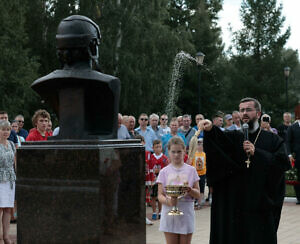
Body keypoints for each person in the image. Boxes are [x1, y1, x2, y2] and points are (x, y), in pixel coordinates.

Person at [200, 97, 290, 244]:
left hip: (259, 205)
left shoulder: (272, 140)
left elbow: (282, 164)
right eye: (242, 110)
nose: (244, 113)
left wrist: (258, 153)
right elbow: (218, 141)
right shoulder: (234, 137)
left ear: (259, 114)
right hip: (235, 205)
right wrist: (210, 128)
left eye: (248, 109)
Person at [157, 136, 200, 244]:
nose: (176, 155)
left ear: (184, 151)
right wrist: (169, 201)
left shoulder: (191, 170)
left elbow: (198, 194)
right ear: (168, 151)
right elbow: (160, 195)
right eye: (173, 152)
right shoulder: (164, 172)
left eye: (179, 152)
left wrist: (190, 190)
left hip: (186, 212)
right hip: (169, 212)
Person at [0, 120, 16, 244]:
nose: (6, 132)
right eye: (3, 129)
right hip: (0, 179)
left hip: (10, 180)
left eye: (8, 129)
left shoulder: (11, 144)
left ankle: (6, 236)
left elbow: (15, 162)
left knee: (8, 209)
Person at [150, 140, 168, 220]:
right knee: (153, 197)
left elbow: (167, 169)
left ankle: (160, 212)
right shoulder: (150, 157)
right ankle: (154, 211)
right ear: (153, 148)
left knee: (160, 196)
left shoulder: (164, 158)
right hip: (153, 180)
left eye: (160, 147)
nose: (158, 149)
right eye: (156, 147)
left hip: (161, 181)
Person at [286, 115, 300, 204]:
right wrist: (289, 154)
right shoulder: (292, 127)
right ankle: (299, 197)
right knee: (297, 177)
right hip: (297, 156)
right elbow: (287, 141)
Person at [191, 138, 206, 209]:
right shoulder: (194, 154)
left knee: (201, 189)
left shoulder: (204, 154)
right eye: (198, 144)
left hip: (202, 174)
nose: (200, 146)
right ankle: (195, 201)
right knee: (195, 188)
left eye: (201, 145)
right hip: (195, 174)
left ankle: (200, 202)